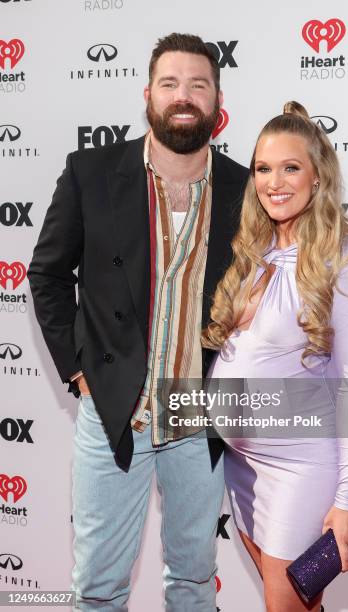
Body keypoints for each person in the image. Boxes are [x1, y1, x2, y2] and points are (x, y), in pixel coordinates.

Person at [28, 33, 248, 611]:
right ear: (148, 94)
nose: (184, 96)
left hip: (197, 414)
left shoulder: (244, 188)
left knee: (195, 579)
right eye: (171, 83)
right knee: (98, 588)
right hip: (112, 411)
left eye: (198, 85)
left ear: (216, 100)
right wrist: (80, 372)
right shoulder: (90, 173)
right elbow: (47, 275)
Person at [202, 101, 348, 612]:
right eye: (263, 168)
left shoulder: (341, 260)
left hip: (300, 466)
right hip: (243, 466)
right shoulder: (254, 251)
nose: (273, 182)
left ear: (318, 177)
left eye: (290, 167)